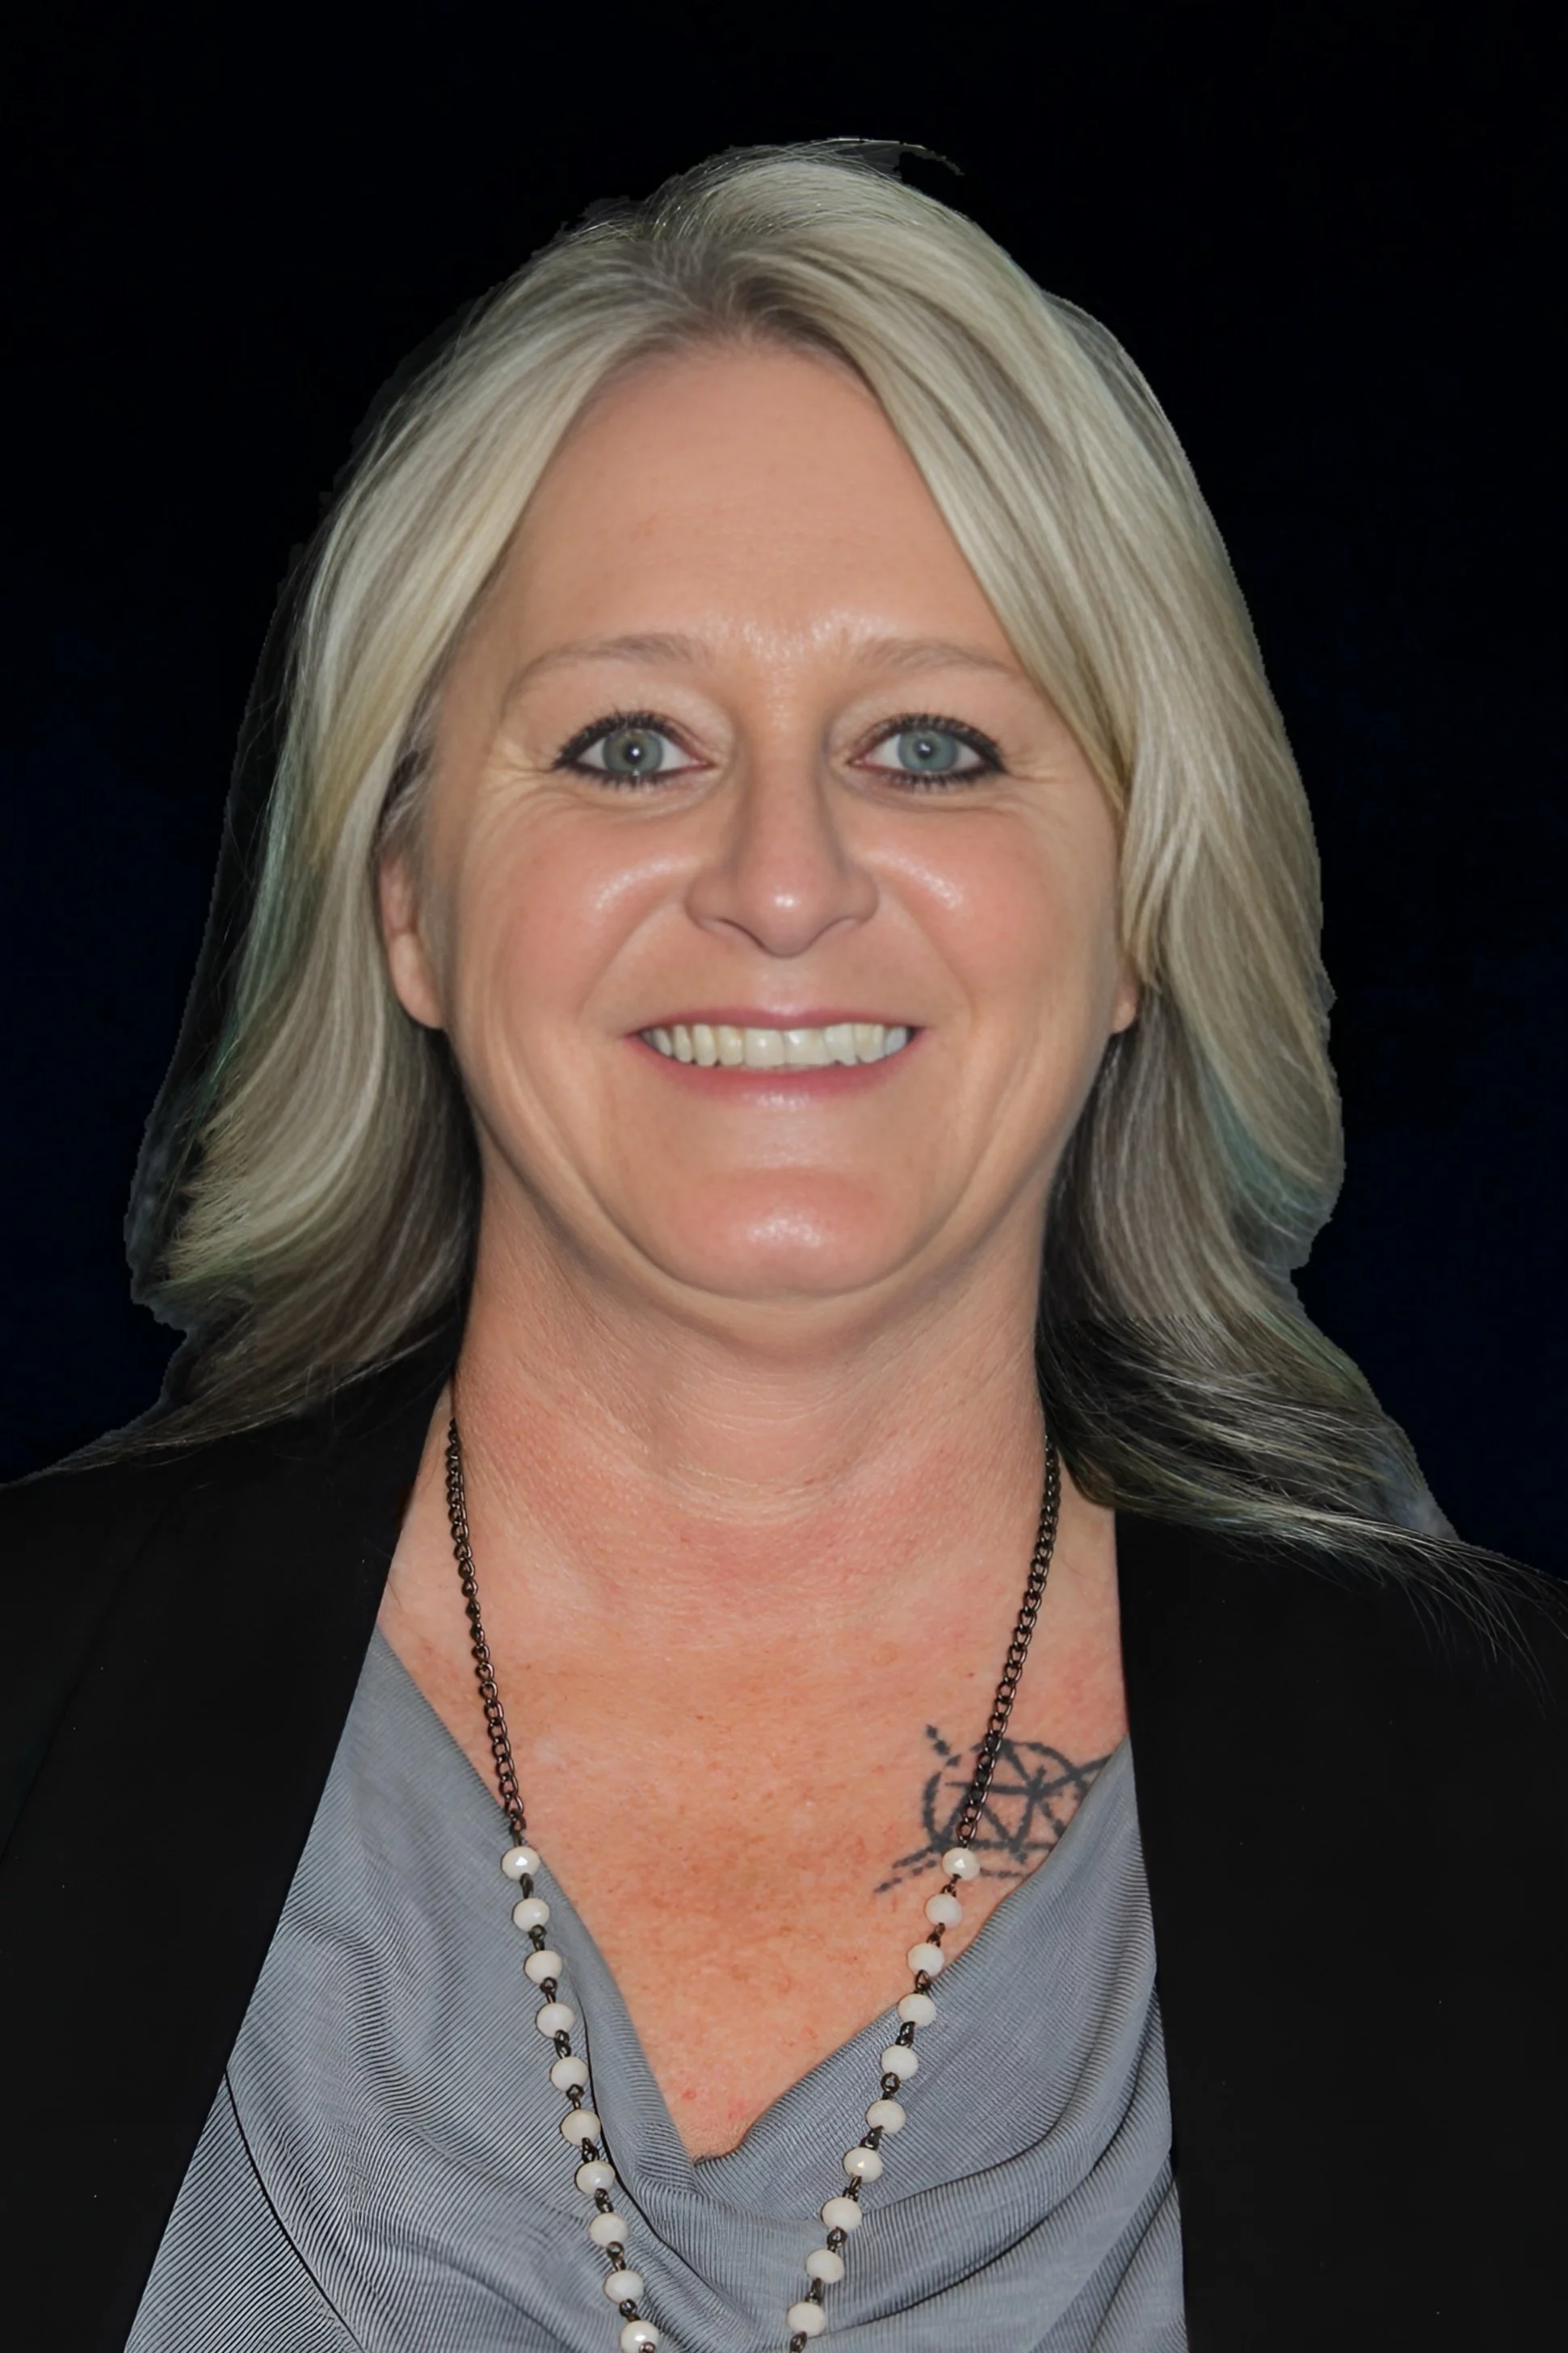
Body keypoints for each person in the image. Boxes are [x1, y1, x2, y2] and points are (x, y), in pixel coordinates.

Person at [2, 141, 1562, 2353]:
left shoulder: (1523, 1802)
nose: (781, 873)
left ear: (1133, 913)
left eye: (933, 746)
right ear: (411, 898)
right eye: (627, 744)